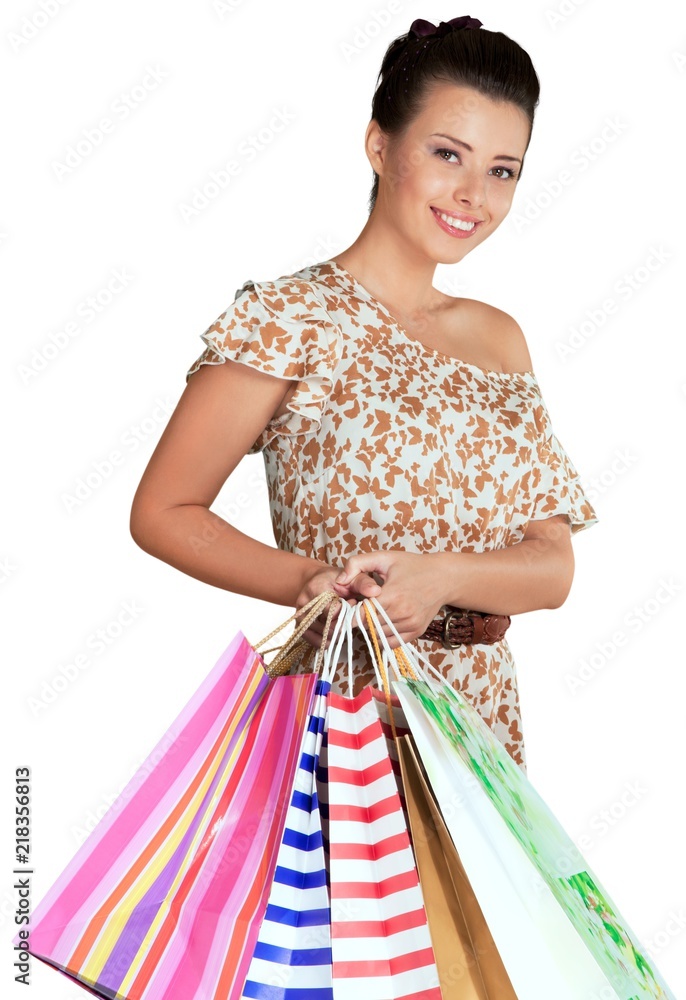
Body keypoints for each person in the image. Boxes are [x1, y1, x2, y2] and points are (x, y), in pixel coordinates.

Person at [129, 15, 598, 776]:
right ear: (381, 145)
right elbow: (164, 511)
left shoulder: (498, 338)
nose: (473, 194)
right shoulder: (288, 317)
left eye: (503, 170)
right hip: (345, 709)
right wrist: (309, 582)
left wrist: (443, 576)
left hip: (481, 726)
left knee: (471, 901)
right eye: (448, 154)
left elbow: (552, 567)